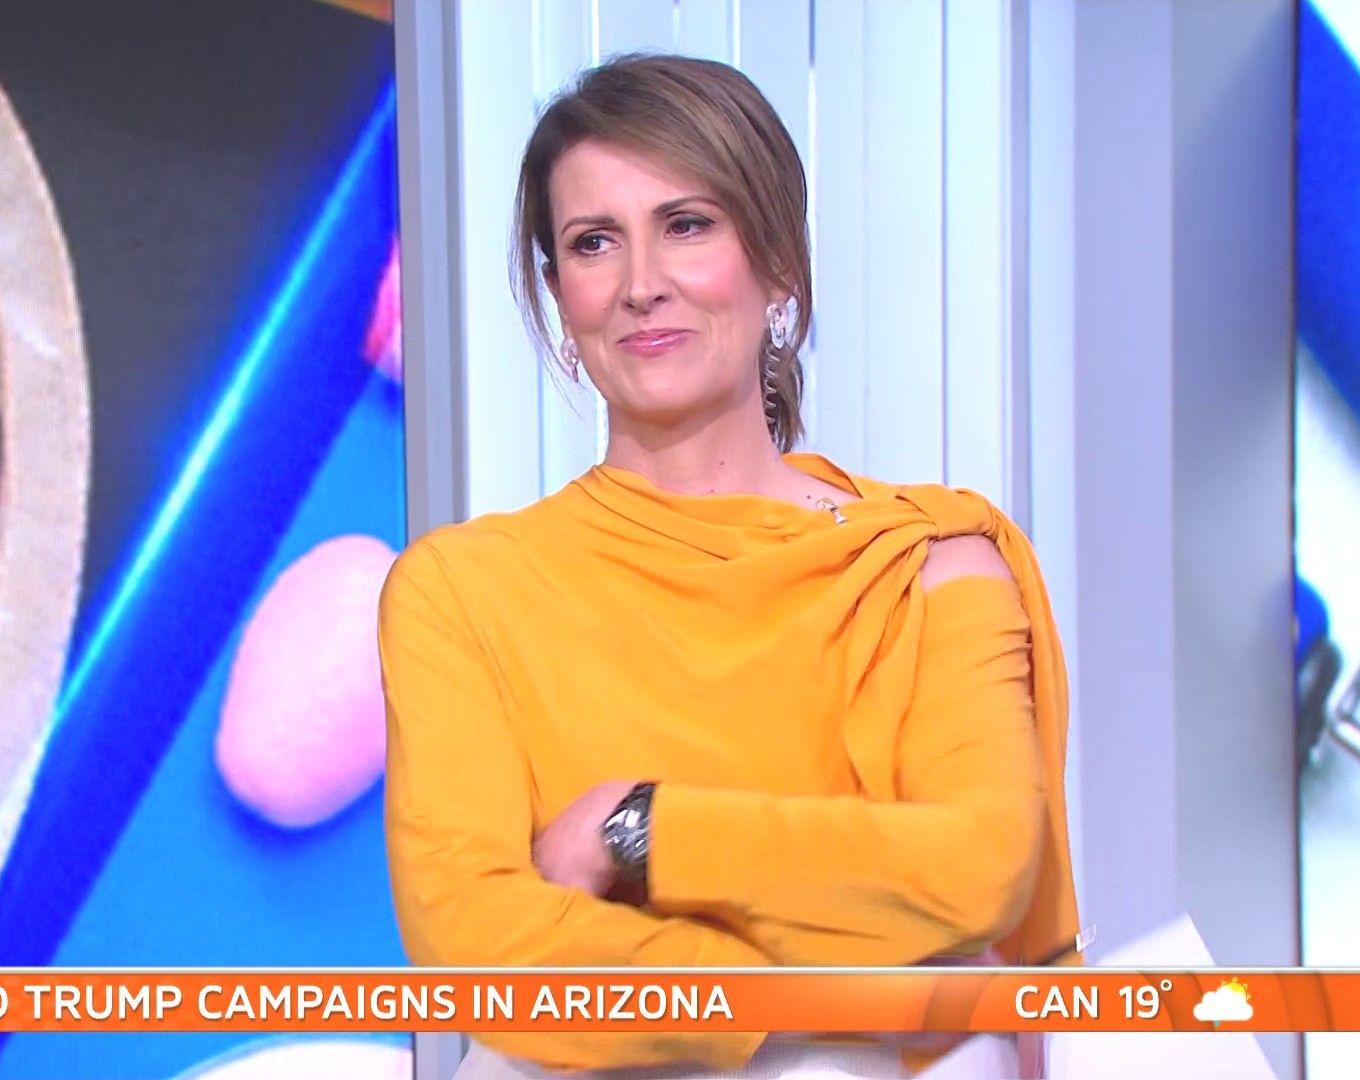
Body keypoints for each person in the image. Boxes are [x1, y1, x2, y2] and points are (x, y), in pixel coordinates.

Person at [378, 53, 1080, 1079]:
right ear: (561, 297)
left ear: (778, 259)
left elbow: (976, 871)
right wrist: (835, 993)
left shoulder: (928, 567)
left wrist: (640, 828)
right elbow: (481, 940)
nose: (641, 285)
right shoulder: (460, 592)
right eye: (593, 243)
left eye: (688, 225)